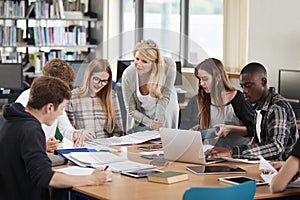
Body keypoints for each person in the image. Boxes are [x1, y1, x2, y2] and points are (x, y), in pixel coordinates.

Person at [0, 76, 111, 200]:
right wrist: (91, 179)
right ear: (50, 107)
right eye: (62, 109)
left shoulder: (11, 118)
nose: (60, 114)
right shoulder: (30, 130)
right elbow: (46, 177)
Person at [208, 62, 298, 160]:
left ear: (263, 82)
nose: (244, 91)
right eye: (242, 86)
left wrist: (231, 151)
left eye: (248, 85)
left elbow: (276, 147)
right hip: (266, 167)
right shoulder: (258, 107)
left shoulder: (277, 108)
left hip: (282, 170)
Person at [15, 58, 96, 151]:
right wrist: (42, 145)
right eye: (62, 86)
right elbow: (17, 140)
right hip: (32, 153)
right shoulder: (26, 100)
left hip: (47, 152)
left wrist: (75, 134)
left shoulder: (56, 100)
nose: (65, 90)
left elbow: (65, 127)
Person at [192, 58, 254, 147]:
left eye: (205, 79)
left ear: (218, 77)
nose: (201, 83)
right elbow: (210, 124)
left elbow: (253, 129)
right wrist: (195, 130)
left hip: (234, 153)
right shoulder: (205, 97)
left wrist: (230, 129)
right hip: (211, 151)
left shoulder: (239, 98)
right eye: (200, 79)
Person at [121, 39, 179, 133]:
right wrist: (150, 123)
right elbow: (131, 109)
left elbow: (164, 98)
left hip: (164, 111)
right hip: (141, 118)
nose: (138, 64)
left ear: (154, 63)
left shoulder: (168, 66)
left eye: (144, 61)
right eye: (137, 59)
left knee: (162, 142)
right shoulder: (128, 75)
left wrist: (159, 124)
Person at [65, 58, 124, 138]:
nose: (99, 84)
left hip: (107, 147)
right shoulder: (73, 97)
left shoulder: (112, 97)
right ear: (88, 76)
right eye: (96, 79)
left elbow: (119, 132)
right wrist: (80, 133)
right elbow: (67, 131)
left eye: (104, 81)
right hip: (83, 146)